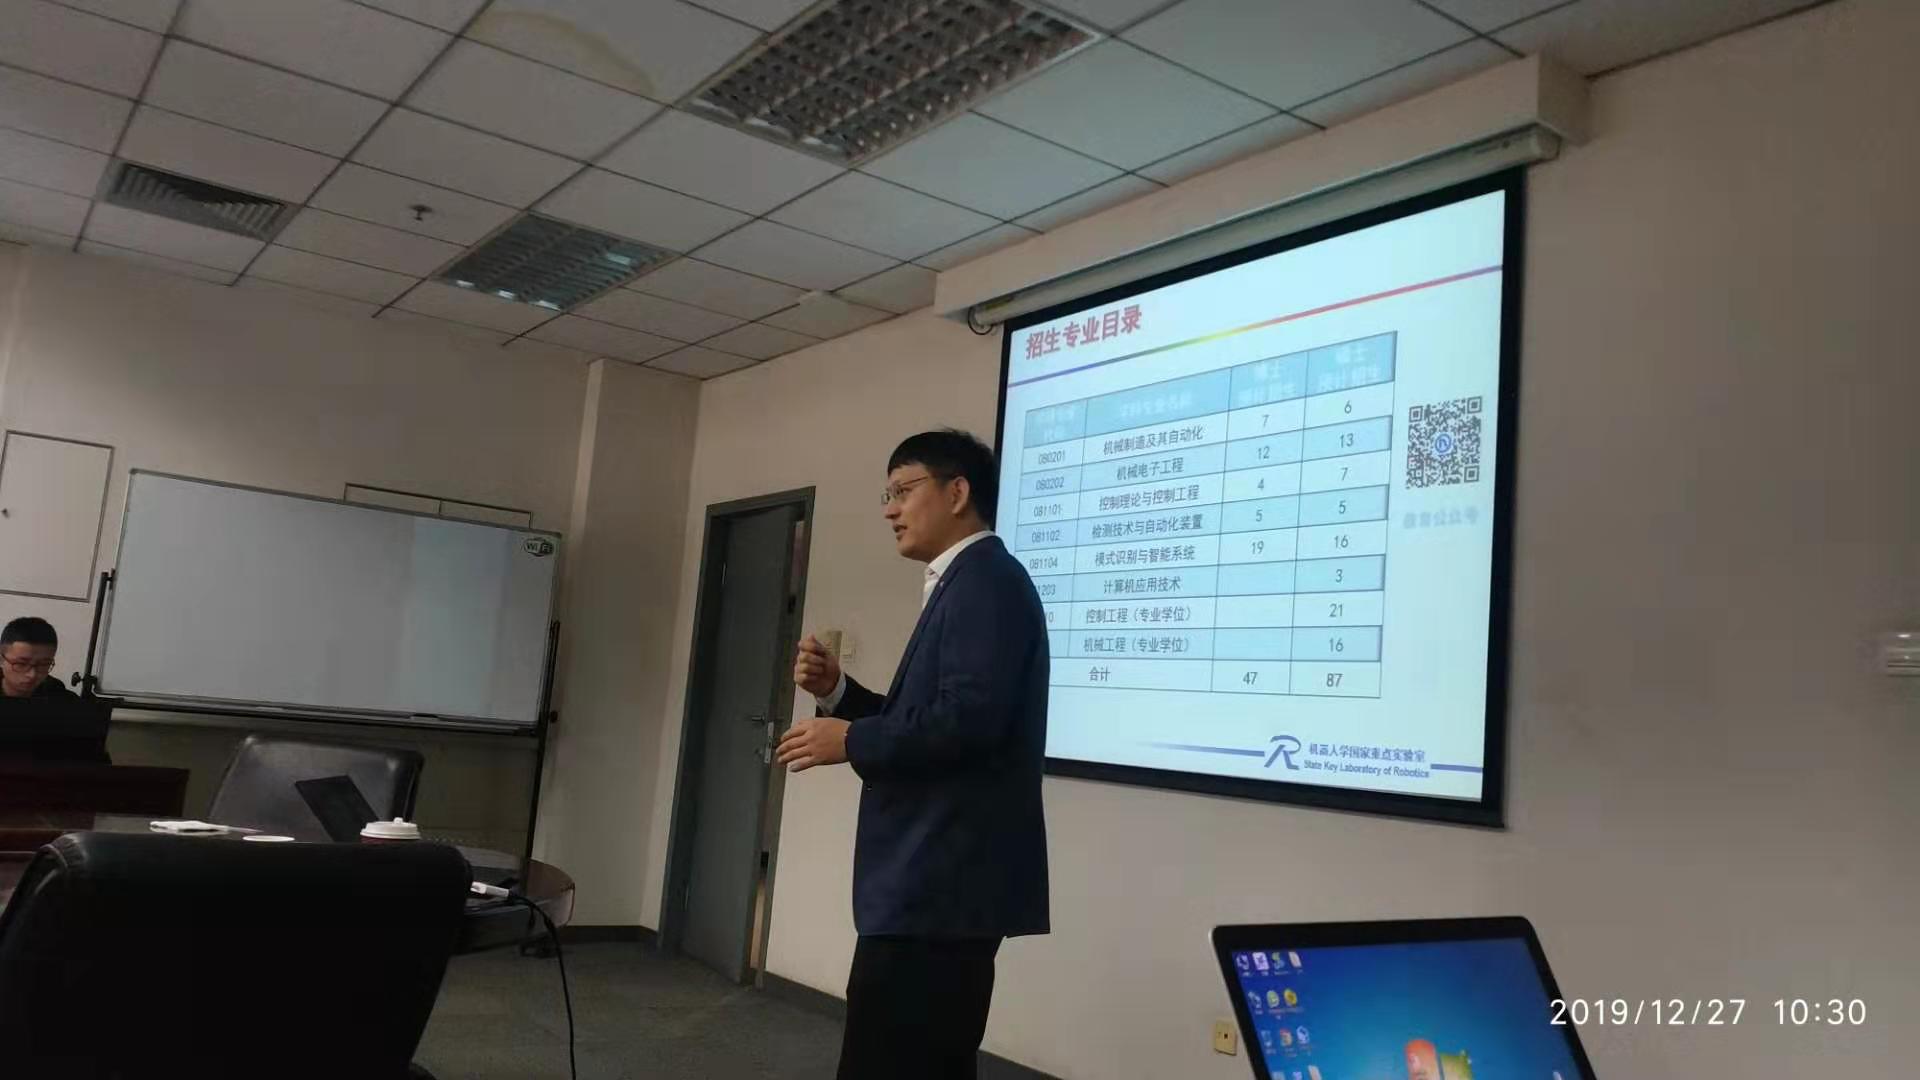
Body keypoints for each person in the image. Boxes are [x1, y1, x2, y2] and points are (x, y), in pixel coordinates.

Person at [777, 429, 1050, 1080]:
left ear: (957, 493)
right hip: (934, 884)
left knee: (895, 1060)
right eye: (887, 495)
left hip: (942, 885)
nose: (890, 510)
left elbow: (970, 722)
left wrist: (850, 740)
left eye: (903, 490)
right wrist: (839, 693)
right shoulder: (967, 581)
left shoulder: (987, 581)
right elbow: (929, 717)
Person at [0, 617, 72, 701]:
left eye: (43, 664)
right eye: (21, 664)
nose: (32, 675)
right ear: (1, 660)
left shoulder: (60, 696)